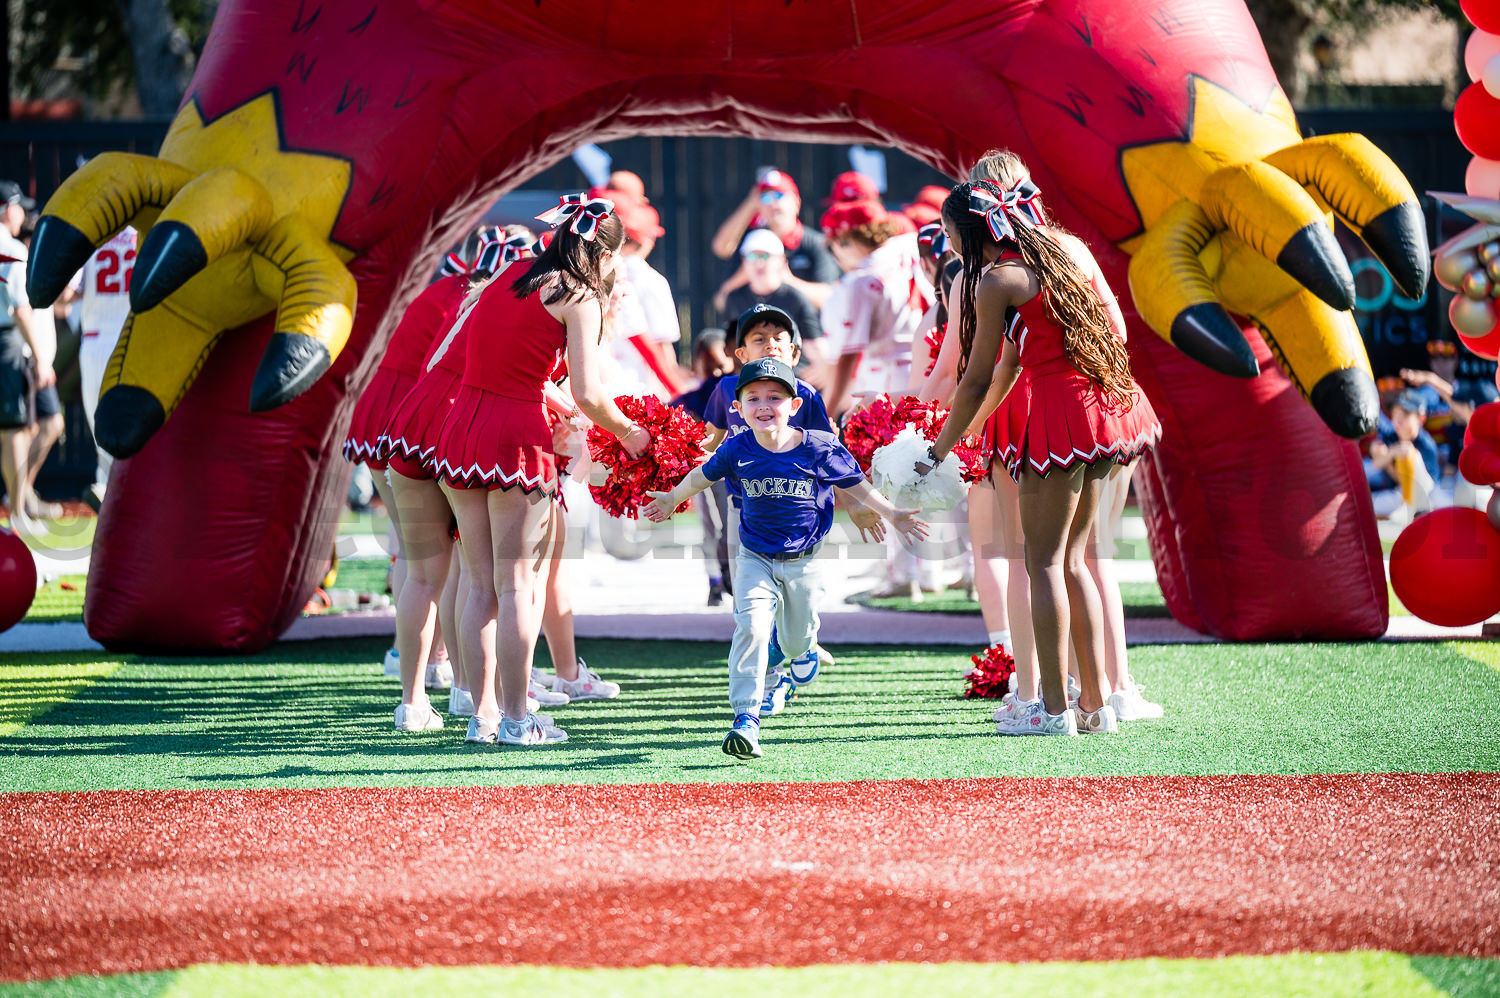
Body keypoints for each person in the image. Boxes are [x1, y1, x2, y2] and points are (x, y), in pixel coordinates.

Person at [919, 173, 1161, 737]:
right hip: (1101, 408)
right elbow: (1008, 368)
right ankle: (1095, 706)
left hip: (1059, 414)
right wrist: (965, 436)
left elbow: (976, 378)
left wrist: (936, 450)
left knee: (1043, 564)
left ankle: (1053, 711)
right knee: (1073, 561)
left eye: (951, 235)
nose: (949, 246)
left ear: (972, 231)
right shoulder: (1056, 254)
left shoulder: (995, 279)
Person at [432, 193, 648, 747]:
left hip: (461, 430)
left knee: (480, 586)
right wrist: (629, 433)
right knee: (517, 587)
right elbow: (590, 392)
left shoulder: (509, 272)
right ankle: (515, 719)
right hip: (515, 437)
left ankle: (483, 715)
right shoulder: (578, 294)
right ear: (604, 255)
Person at [643, 356, 926, 759]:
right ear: (738, 408)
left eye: (774, 397)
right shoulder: (737, 447)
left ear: (794, 406)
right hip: (754, 557)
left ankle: (803, 647)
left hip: (803, 561)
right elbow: (702, 475)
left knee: (795, 639)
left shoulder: (817, 446)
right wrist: (672, 498)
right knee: (751, 627)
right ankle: (746, 719)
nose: (764, 405)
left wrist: (892, 513)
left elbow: (856, 485)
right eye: (753, 397)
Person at [710, 169, 840, 312]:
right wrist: (746, 274)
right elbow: (720, 300)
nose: (772, 203)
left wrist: (788, 280)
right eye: (765, 198)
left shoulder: (816, 243)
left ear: (796, 202)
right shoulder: (752, 244)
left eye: (778, 195)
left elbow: (829, 298)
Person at [74, 226, 137, 510]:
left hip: (96, 342)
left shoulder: (93, 236)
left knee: (103, 431)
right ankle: (124, 494)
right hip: (133, 341)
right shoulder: (143, 232)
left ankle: (107, 487)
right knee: (136, 425)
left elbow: (64, 297)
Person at [670, 328, 734, 604]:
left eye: (721, 366)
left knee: (729, 525)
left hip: (728, 472)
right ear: (696, 365)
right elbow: (673, 413)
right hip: (700, 471)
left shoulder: (731, 391)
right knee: (709, 524)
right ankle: (715, 580)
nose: (715, 374)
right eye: (709, 367)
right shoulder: (690, 399)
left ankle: (729, 573)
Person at [721, 229, 826, 384]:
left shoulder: (796, 298)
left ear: (781, 260)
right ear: (743, 261)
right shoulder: (735, 298)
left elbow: (814, 345)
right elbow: (730, 345)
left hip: (792, 377)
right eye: (752, 256)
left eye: (765, 256)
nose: (758, 263)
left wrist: (825, 368)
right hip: (751, 378)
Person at [0, 180, 45, 533]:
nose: (22, 215)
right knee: (14, 430)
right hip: (6, 344)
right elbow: (19, 309)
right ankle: (17, 514)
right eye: (19, 208)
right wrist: (41, 357)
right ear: (7, 209)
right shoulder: (12, 248)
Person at [1366, 387, 1442, 520]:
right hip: (1398, 496)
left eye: (1405, 415)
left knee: (1408, 452)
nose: (1398, 420)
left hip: (1424, 501)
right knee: (1366, 504)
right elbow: (1376, 464)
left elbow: (1426, 488)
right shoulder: (1392, 436)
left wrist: (1393, 454)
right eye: (1395, 414)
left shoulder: (1426, 445)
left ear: (1421, 418)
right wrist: (1388, 452)